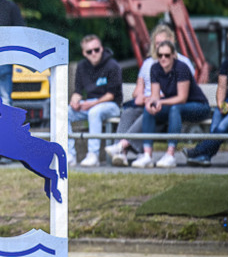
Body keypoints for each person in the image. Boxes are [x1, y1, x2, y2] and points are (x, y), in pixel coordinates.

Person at [106, 24, 194, 166]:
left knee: (149, 111)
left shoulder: (183, 63)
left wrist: (152, 99)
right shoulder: (148, 64)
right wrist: (140, 95)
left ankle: (123, 146)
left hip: (168, 107)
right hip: (146, 103)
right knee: (129, 112)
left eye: (164, 42)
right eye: (157, 43)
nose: (160, 47)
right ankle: (121, 154)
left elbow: (182, 92)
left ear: (172, 40)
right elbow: (138, 89)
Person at [131, 40, 211, 168]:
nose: (163, 58)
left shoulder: (181, 68)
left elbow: (182, 98)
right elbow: (155, 96)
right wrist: (150, 102)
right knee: (149, 109)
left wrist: (159, 102)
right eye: (160, 55)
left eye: (167, 55)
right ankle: (147, 155)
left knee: (175, 108)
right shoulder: (155, 68)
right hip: (177, 108)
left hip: (199, 107)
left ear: (174, 55)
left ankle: (170, 154)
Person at [182, 26, 228, 166]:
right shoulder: (227, 63)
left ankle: (196, 152)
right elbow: (222, 86)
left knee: (223, 127)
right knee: (215, 127)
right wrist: (220, 103)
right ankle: (204, 158)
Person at [68, 34, 122, 167]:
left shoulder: (112, 65)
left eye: (96, 50)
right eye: (89, 51)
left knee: (94, 112)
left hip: (111, 105)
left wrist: (91, 104)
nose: (94, 53)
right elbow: (78, 91)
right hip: (90, 104)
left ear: (101, 48)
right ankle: (69, 154)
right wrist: (74, 101)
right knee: (64, 112)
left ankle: (93, 155)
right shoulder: (81, 66)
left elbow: (111, 95)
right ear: (84, 53)